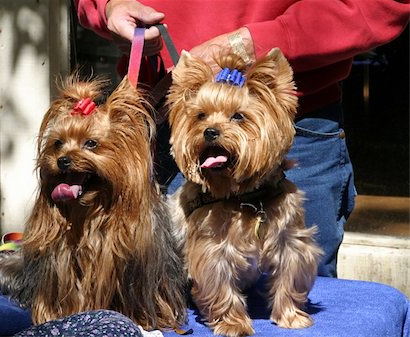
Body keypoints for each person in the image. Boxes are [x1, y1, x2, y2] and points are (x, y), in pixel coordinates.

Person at [74, 0, 410, 278]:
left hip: (287, 126)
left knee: (295, 302)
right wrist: (107, 6)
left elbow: (381, 5)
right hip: (172, 122)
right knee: (164, 288)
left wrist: (262, 40)